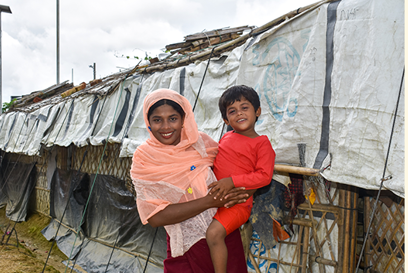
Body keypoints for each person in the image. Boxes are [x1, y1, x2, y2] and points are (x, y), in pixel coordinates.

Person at [130, 88, 250, 273]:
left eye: (173, 118)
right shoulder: (145, 159)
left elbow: (236, 173)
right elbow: (155, 217)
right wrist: (209, 201)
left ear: (183, 119)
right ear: (148, 123)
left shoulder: (201, 144)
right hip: (186, 247)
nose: (166, 127)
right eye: (157, 120)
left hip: (225, 238)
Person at [206, 85, 276, 273]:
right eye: (232, 111)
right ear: (225, 119)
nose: (239, 114)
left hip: (237, 204)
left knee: (213, 234)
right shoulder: (226, 136)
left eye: (245, 107)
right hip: (214, 198)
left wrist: (232, 181)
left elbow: (264, 176)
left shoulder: (262, 143)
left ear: (257, 111)